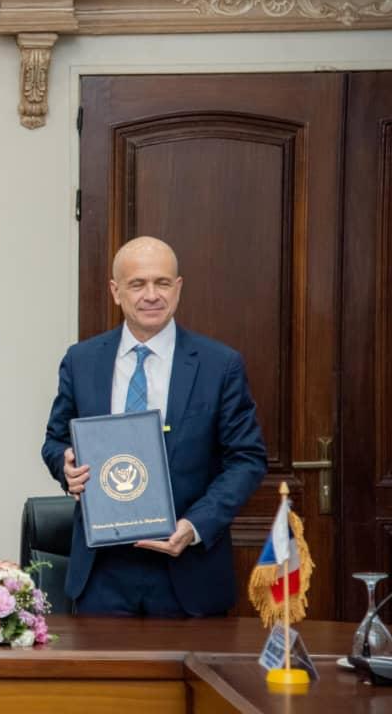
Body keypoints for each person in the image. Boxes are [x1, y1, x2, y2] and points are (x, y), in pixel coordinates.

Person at [41, 236, 266, 617]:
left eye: (162, 283)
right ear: (115, 291)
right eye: (137, 284)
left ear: (178, 288)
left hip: (187, 572)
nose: (151, 295)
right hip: (102, 572)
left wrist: (196, 524)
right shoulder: (81, 360)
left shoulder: (219, 365)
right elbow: (54, 441)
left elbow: (246, 459)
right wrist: (65, 468)